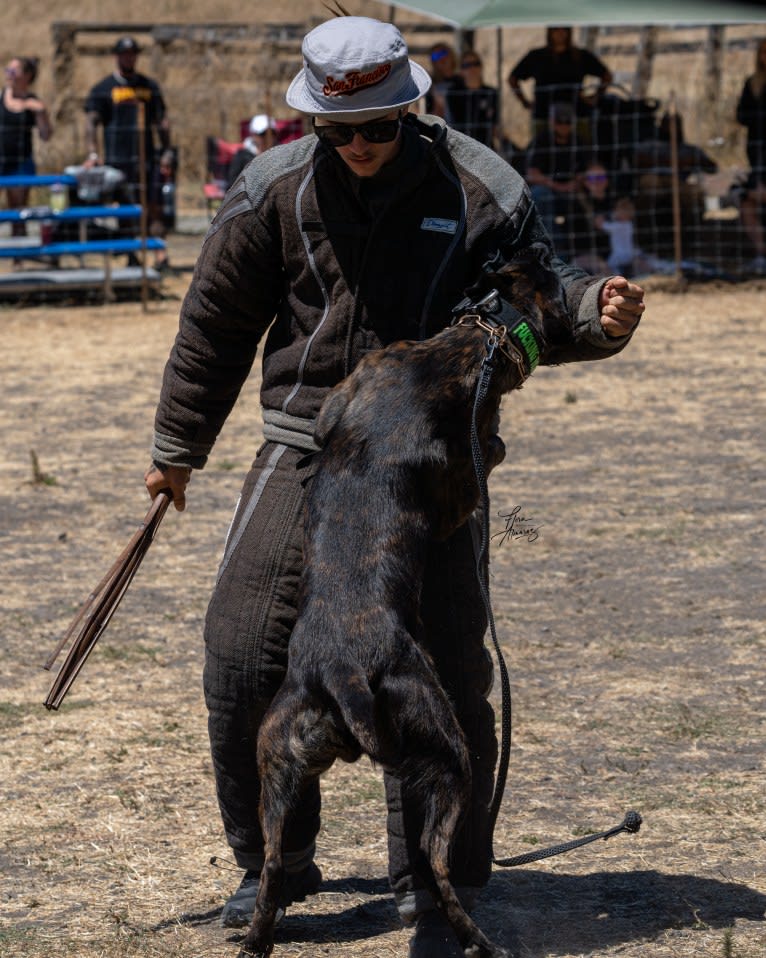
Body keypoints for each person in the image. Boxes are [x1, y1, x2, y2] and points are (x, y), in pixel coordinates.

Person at [143, 16, 645, 958]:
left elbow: (546, 290)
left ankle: (438, 871)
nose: (362, 146)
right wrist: (178, 447)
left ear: (410, 105)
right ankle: (273, 860)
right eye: (342, 132)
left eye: (379, 125)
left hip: (432, 452)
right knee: (244, 647)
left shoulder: (479, 184)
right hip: (306, 442)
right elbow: (214, 326)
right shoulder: (271, 190)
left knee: (447, 662)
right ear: (313, 122)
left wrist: (597, 314)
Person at [83, 36, 172, 268]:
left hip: (147, 157)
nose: (129, 57)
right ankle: (131, 254)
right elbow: (91, 122)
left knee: (154, 207)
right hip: (117, 160)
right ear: (117, 56)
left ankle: (160, 255)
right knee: (126, 209)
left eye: (133, 53)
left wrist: (166, 151)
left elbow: (162, 121)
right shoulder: (103, 89)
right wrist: (93, 153)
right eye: (124, 53)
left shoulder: (149, 87)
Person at [508, 26, 612, 137]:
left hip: (576, 114)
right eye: (556, 29)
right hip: (543, 115)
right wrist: (525, 102)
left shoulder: (580, 56)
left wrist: (595, 97)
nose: (560, 33)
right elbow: (513, 78)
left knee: (580, 150)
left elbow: (606, 76)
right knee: (542, 150)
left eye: (564, 29)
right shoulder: (536, 56)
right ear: (550, 32)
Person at [525, 100, 590, 243]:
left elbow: (585, 171)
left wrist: (575, 184)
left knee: (584, 198)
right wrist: (557, 186)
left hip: (572, 189)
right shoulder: (541, 141)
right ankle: (552, 246)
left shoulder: (579, 141)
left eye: (567, 121)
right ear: (552, 121)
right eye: (559, 121)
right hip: (548, 189)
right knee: (540, 194)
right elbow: (532, 174)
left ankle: (581, 247)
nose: (563, 125)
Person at [1, 56, 52, 236]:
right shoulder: (1, 97)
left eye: (13, 71)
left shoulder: (33, 102)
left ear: (27, 76)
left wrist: (41, 113)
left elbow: (46, 136)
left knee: (18, 211)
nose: (9, 75)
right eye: (7, 71)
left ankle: (18, 258)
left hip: (20, 162)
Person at [736, 38, 766, 272]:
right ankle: (761, 254)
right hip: (757, 155)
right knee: (748, 203)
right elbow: (741, 115)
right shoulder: (752, 83)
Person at [448, 49, 499, 150]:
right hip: (461, 146)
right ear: (461, 70)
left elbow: (494, 125)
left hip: (486, 146)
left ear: (481, 67)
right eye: (467, 65)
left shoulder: (491, 92)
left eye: (476, 64)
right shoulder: (453, 93)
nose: (472, 68)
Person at [226, 114, 277, 187]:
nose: (268, 137)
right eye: (263, 134)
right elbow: (233, 184)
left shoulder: (281, 154)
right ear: (254, 135)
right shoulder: (242, 157)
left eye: (273, 133)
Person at [424, 41, 464, 122]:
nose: (441, 58)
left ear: (451, 55)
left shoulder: (463, 80)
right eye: (435, 56)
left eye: (443, 53)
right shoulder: (429, 84)